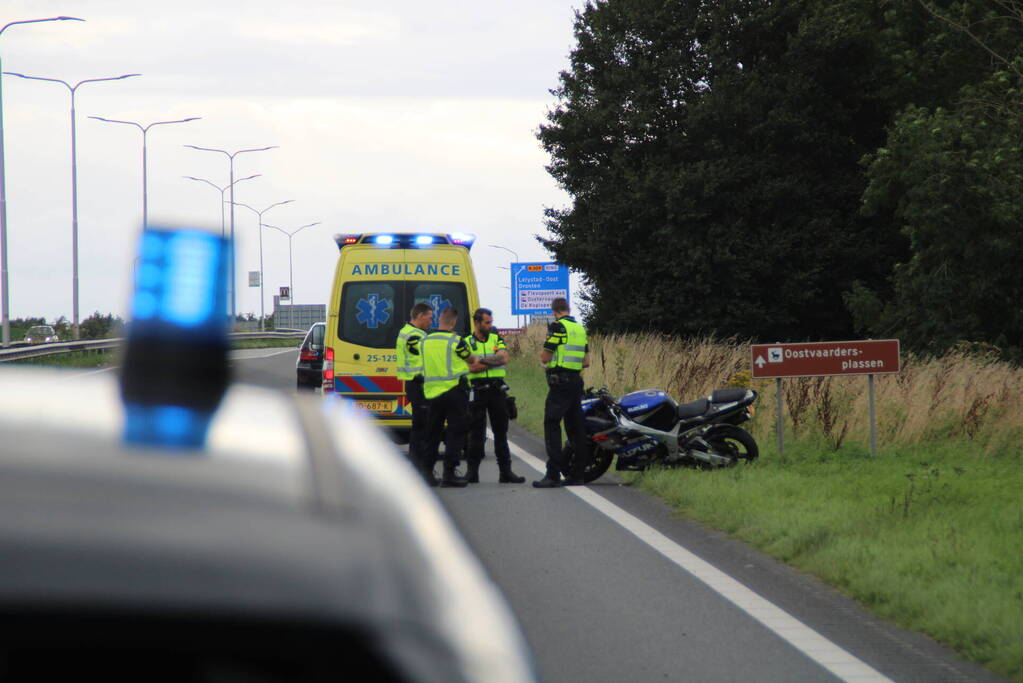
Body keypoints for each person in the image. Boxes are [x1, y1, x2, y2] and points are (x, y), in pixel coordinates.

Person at [421, 307, 483, 487]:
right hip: (454, 392)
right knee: (455, 433)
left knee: (432, 433)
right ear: (453, 322)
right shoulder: (456, 341)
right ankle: (449, 473)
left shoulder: (425, 341)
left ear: (439, 321)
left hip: (432, 393)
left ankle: (427, 472)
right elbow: (472, 360)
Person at [534, 297, 591, 488]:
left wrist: (545, 364)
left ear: (554, 311)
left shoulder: (558, 327)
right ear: (568, 308)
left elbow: (545, 354)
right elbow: (586, 361)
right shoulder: (580, 329)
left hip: (560, 383)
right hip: (576, 381)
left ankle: (553, 474)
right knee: (576, 428)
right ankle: (577, 474)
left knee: (552, 424)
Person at [463, 308, 525, 484]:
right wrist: (493, 361)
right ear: (477, 323)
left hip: (497, 391)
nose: (491, 325)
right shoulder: (466, 342)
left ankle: (506, 473)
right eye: (487, 322)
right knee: (475, 434)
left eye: (491, 322)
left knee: (501, 433)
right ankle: (472, 473)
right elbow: (471, 368)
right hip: (477, 390)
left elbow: (504, 358)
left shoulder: (496, 338)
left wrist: (481, 361)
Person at [395, 302, 433, 481]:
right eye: (429, 317)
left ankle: (416, 466)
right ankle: (419, 468)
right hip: (419, 383)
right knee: (422, 427)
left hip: (413, 383)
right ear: (420, 316)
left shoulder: (406, 331)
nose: (431, 321)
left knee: (419, 426)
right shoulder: (415, 336)